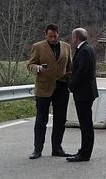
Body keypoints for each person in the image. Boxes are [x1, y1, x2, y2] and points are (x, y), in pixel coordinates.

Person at [27, 24, 73, 160]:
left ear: (58, 34)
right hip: (43, 87)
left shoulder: (66, 47)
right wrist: (39, 68)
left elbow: (70, 66)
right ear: (46, 35)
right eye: (50, 36)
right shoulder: (38, 47)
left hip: (62, 87)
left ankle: (57, 148)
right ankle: (37, 149)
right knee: (41, 120)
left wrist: (70, 79)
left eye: (55, 35)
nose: (53, 38)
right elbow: (30, 64)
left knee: (60, 120)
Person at [67, 28, 98, 162]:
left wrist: (71, 85)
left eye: (73, 37)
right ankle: (84, 150)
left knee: (85, 124)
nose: (72, 40)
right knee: (86, 123)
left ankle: (85, 153)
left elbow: (81, 72)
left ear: (76, 38)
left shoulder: (84, 51)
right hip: (87, 91)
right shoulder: (88, 48)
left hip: (84, 92)